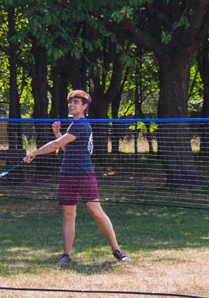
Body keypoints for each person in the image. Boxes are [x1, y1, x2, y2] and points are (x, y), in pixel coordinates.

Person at [23, 90, 130, 265]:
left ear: (84, 106)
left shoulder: (81, 124)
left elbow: (57, 145)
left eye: (76, 102)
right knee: (68, 215)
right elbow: (66, 148)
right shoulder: (73, 125)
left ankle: (117, 250)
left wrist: (34, 153)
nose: (72, 105)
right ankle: (66, 255)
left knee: (96, 212)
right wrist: (58, 133)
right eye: (70, 102)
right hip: (67, 175)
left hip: (84, 175)